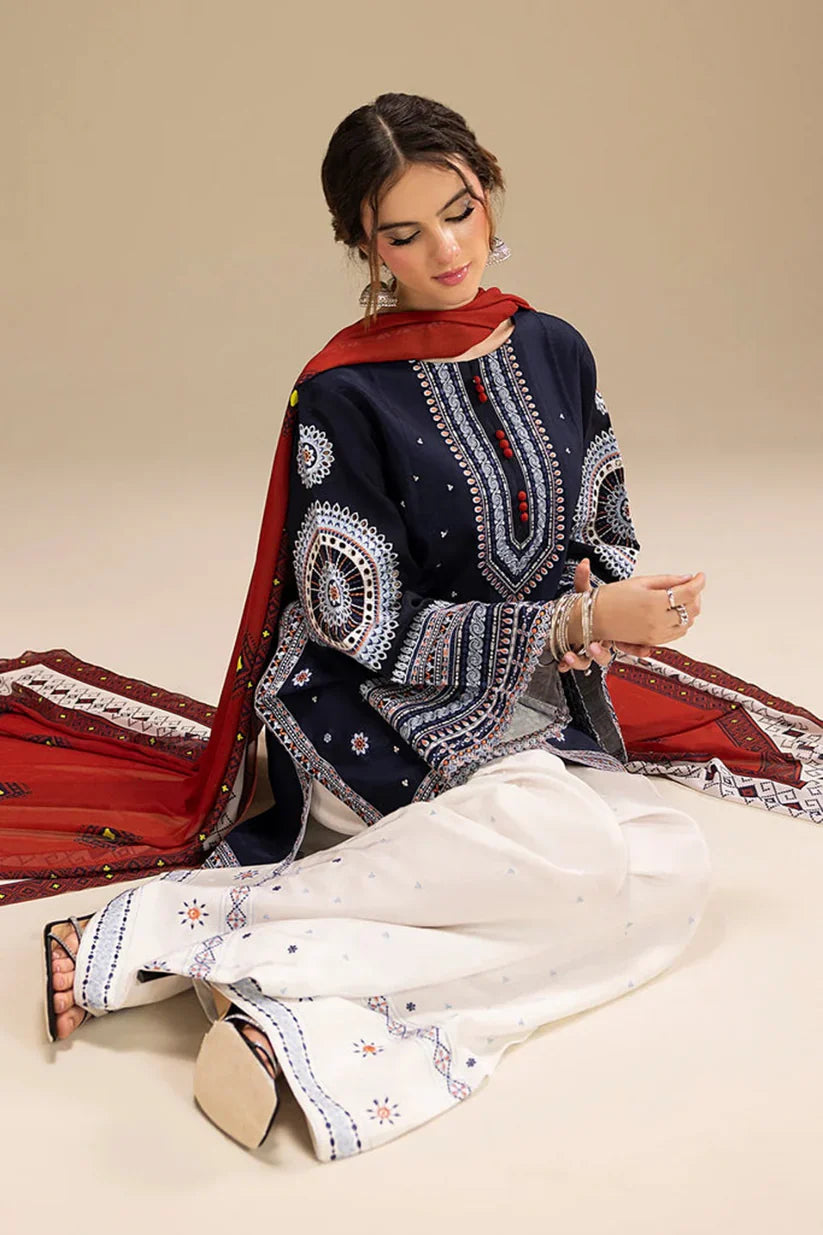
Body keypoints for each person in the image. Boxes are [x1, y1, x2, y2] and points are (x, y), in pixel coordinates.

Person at [44, 92, 713, 1162]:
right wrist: (571, 618)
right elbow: (361, 621)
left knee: (671, 866)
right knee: (570, 850)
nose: (445, 249)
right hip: (377, 705)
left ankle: (287, 1025)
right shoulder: (343, 394)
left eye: (459, 210)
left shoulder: (554, 347)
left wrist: (616, 599)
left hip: (532, 706)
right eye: (404, 233)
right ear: (363, 242)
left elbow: (603, 510)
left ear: (488, 190)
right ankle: (152, 932)